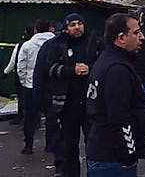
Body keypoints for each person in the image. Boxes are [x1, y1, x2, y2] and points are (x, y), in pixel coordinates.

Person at [86, 14, 145, 177]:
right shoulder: (117, 70)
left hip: (104, 153)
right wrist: (129, 154)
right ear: (121, 38)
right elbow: (120, 118)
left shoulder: (107, 61)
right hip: (113, 159)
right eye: (136, 33)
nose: (142, 37)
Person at [45, 13, 103, 177]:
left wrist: (90, 68)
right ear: (66, 27)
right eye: (72, 25)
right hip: (67, 103)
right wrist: (71, 70)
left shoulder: (94, 42)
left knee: (94, 143)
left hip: (91, 102)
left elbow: (104, 62)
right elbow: (50, 68)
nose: (77, 27)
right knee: (69, 145)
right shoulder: (57, 44)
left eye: (79, 23)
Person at [17, 19, 55, 155]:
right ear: (51, 28)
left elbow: (21, 64)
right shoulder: (56, 43)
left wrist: (24, 81)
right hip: (51, 85)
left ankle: (28, 145)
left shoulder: (27, 45)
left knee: (30, 115)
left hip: (30, 85)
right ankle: (50, 144)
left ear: (35, 30)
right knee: (51, 115)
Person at [4, 25, 34, 126]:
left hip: (21, 76)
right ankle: (34, 118)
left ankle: (21, 117)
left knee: (22, 98)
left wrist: (6, 72)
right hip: (35, 76)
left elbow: (14, 60)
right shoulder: (39, 44)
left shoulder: (21, 44)